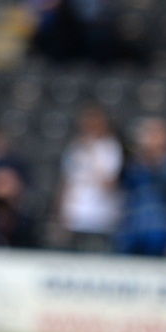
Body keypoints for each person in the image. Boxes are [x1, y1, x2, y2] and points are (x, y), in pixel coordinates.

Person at [117, 117, 166, 257]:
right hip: (134, 229)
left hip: (161, 231)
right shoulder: (135, 163)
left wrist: (155, 157)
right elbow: (124, 182)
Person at [58, 105, 123, 250]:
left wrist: (93, 153)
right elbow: (67, 180)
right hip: (75, 213)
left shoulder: (111, 147)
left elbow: (109, 183)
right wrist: (61, 211)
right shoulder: (76, 147)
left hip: (100, 216)